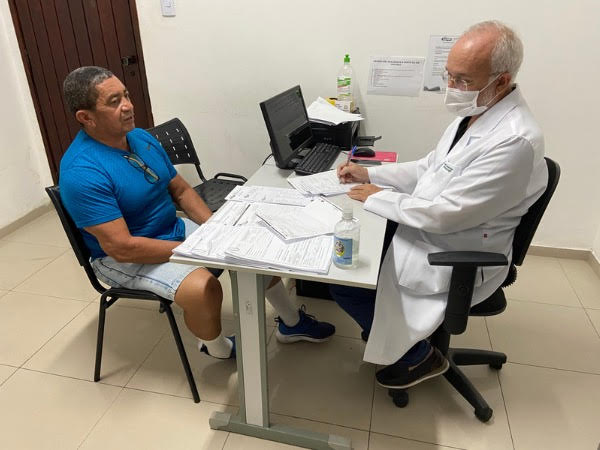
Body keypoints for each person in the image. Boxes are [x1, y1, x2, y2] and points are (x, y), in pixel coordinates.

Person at [59, 66, 335, 360]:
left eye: (126, 95)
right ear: (85, 117)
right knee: (204, 288)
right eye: (114, 102)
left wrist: (216, 229)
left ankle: (292, 324)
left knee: (251, 251)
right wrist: (197, 250)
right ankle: (218, 349)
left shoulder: (140, 138)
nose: (127, 106)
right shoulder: (82, 171)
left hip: (170, 230)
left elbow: (181, 190)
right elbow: (122, 248)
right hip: (121, 258)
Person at [330, 20, 548, 388]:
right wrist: (370, 174)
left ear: (501, 81)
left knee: (347, 281)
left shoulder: (514, 141)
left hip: (457, 250)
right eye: (449, 75)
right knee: (354, 254)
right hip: (432, 225)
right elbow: (429, 168)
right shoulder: (475, 113)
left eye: (463, 80)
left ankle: (419, 357)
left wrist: (379, 197)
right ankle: (389, 331)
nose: (451, 87)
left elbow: (447, 215)